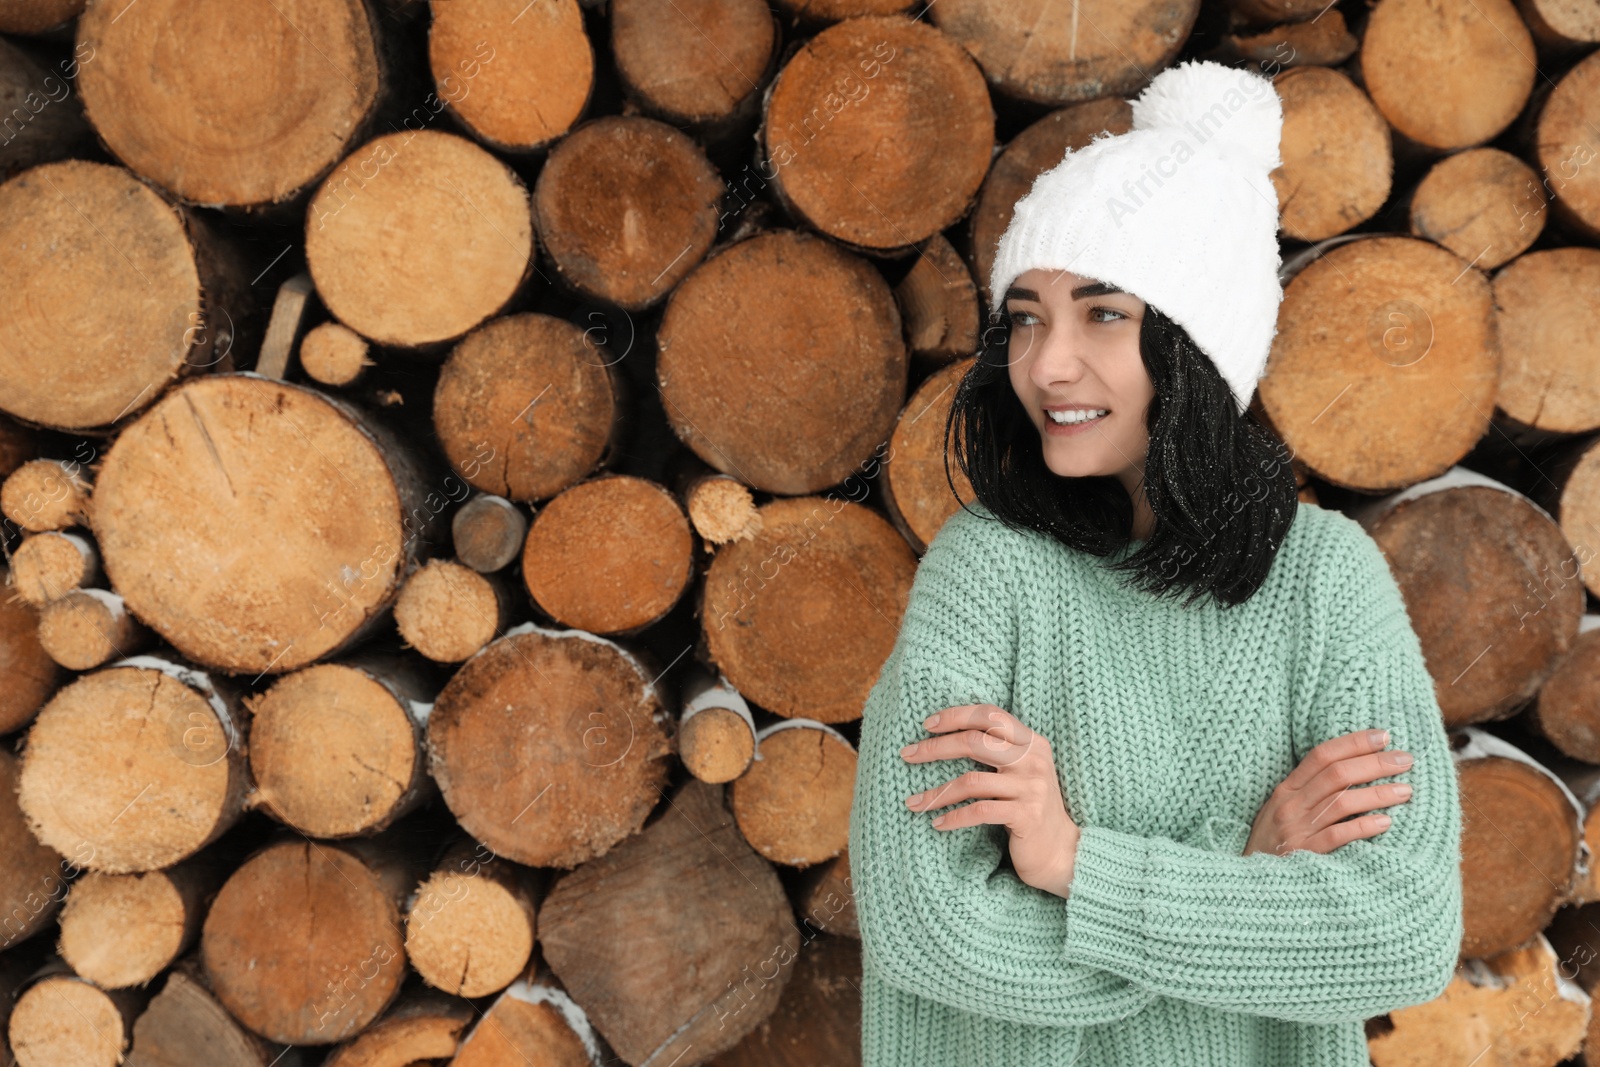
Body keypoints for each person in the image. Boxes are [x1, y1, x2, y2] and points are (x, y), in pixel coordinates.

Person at [847, 58, 1463, 1067]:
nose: (1047, 363)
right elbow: (931, 928)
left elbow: (1399, 931)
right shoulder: (986, 571)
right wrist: (1243, 876)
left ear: (1196, 346)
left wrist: (1074, 864)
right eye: (1029, 315)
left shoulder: (1323, 579)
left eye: (1102, 314)